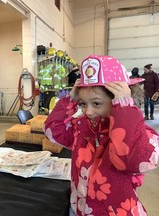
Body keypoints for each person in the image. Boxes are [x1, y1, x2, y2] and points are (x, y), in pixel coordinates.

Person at [43, 55, 159, 216]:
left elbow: (131, 161)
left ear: (118, 100)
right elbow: (53, 130)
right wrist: (70, 99)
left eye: (97, 103)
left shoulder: (143, 134)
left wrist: (124, 108)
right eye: (83, 103)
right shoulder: (82, 127)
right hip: (79, 209)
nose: (88, 111)